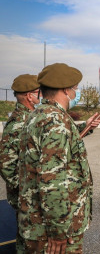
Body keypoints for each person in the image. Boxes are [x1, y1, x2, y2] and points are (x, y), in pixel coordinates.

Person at [18, 63, 100, 254]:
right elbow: (53, 180)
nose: (76, 92)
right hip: (51, 231)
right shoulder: (56, 121)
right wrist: (59, 231)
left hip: (36, 222)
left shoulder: (39, 115)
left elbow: (56, 147)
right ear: (66, 90)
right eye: (75, 88)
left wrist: (85, 126)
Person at [0, 74, 41, 252]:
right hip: (27, 198)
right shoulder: (18, 122)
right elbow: (6, 165)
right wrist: (25, 190)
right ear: (28, 96)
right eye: (38, 92)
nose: (42, 95)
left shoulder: (31, 117)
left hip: (31, 196)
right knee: (29, 242)